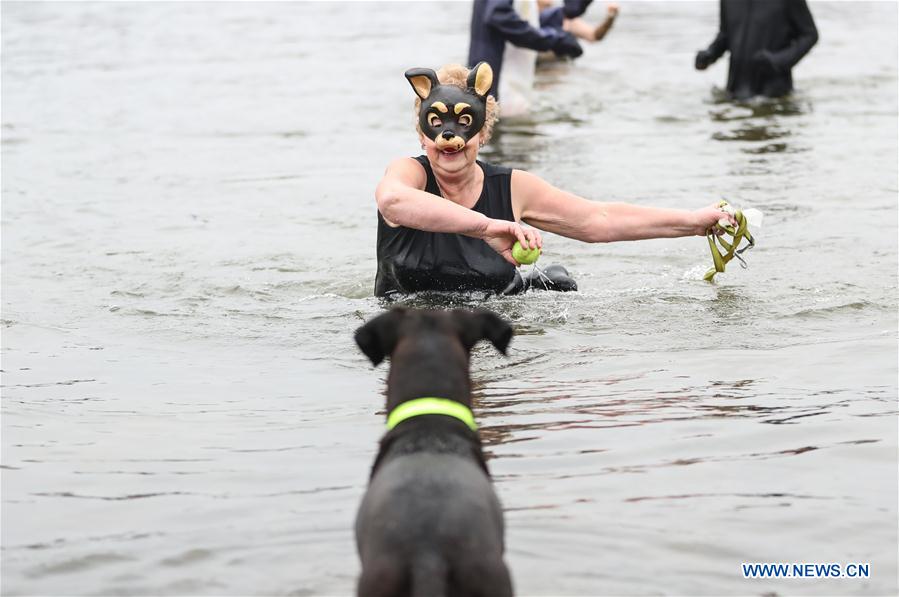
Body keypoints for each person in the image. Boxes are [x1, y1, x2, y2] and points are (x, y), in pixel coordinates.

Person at [373, 63, 736, 298]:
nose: (449, 141)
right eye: (436, 128)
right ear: (422, 135)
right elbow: (393, 201)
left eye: (466, 128)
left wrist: (694, 222)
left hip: (490, 330)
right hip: (409, 326)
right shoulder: (410, 174)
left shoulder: (513, 187)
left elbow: (599, 220)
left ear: (483, 134)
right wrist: (486, 227)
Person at [694, 0, 818, 100]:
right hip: (735, 93)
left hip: (774, 97)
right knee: (731, 129)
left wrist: (779, 60)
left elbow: (810, 35)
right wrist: (710, 54)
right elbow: (726, 34)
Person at [468, 0, 584, 99]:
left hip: (502, 85)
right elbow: (498, 14)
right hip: (498, 84)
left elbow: (522, 14)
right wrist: (553, 39)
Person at [538, 0, 619, 44]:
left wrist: (610, 17)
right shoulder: (526, 20)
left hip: (555, 68)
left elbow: (594, 36)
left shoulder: (564, 17)